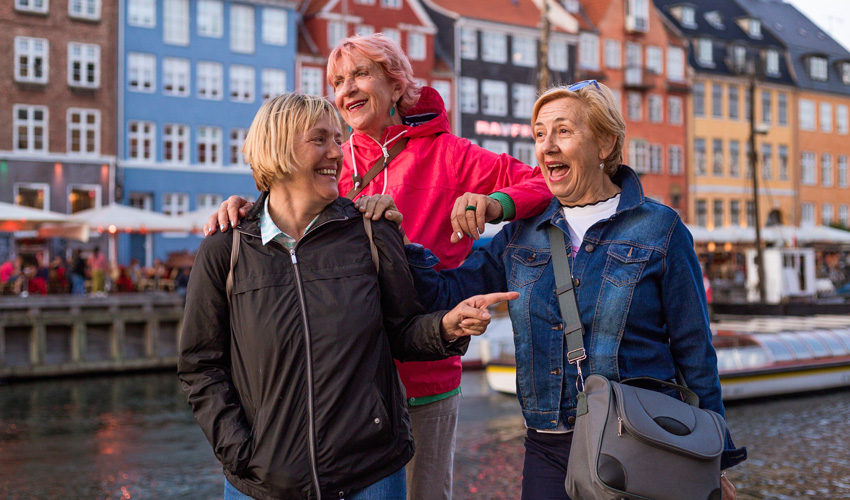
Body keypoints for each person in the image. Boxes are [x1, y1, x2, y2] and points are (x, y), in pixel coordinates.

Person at [203, 33, 551, 500]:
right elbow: (286, 218)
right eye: (337, 80)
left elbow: (542, 184)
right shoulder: (334, 164)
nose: (346, 89)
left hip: (422, 368)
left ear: (396, 83)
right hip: (345, 384)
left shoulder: (451, 156)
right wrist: (248, 209)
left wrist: (495, 203)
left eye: (360, 74)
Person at [382, 81, 747, 499]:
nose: (547, 146)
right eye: (539, 134)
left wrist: (714, 459)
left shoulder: (661, 229)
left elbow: (695, 352)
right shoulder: (522, 235)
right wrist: (394, 234)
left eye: (563, 131)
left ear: (606, 143)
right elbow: (443, 293)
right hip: (548, 445)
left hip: (640, 440)